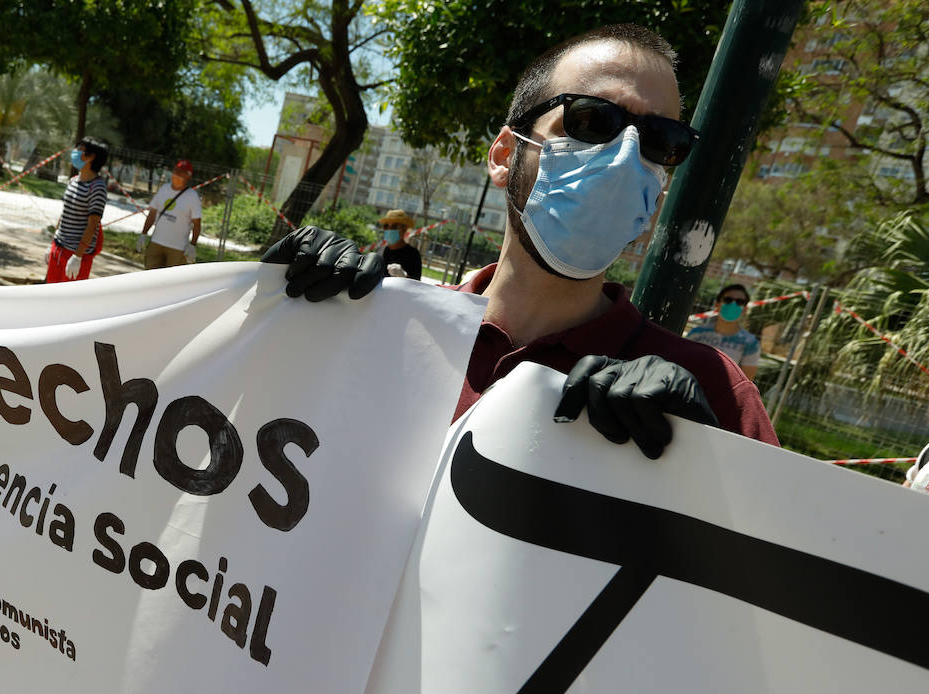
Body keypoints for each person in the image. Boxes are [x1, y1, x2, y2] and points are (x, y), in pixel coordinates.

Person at [263, 24, 778, 458]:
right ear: (505, 154)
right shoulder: (386, 325)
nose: (624, 159)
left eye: (661, 140)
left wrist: (706, 460)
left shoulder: (718, 394)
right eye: (592, 120)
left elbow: (775, 570)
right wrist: (274, 309)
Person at [45, 137, 109, 283]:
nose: (75, 152)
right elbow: (65, 213)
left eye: (80, 149)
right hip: (58, 248)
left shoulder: (97, 187)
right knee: (50, 296)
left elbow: (92, 224)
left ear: (91, 157)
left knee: (68, 302)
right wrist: (52, 244)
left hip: (76, 255)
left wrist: (78, 256)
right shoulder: (73, 180)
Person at [136, 159, 202, 269]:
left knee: (172, 283)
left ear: (188, 177)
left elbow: (197, 223)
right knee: (149, 279)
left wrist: (192, 245)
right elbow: (152, 214)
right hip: (156, 243)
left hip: (177, 249)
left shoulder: (192, 197)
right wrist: (143, 234)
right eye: (176, 171)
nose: (177, 175)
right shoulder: (164, 189)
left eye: (182, 173)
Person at [685, 284, 760, 380]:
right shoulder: (696, 334)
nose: (733, 305)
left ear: (745, 309)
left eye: (740, 302)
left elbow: (746, 381)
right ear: (717, 305)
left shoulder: (751, 343)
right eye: (728, 300)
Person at [378, 209, 423, 281]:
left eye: (394, 226)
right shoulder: (381, 251)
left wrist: (404, 277)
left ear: (404, 229)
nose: (389, 229)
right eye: (386, 226)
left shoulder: (413, 254)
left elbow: (416, 285)